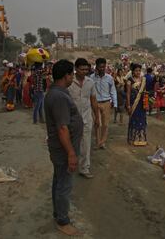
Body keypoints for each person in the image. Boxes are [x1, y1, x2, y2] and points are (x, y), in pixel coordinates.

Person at [44, 59, 84, 236]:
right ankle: (62, 219)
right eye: (72, 74)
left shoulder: (57, 93)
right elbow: (62, 128)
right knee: (64, 185)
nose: (72, 78)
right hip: (63, 150)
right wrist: (71, 154)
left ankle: (57, 213)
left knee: (59, 181)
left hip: (61, 149)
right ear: (66, 75)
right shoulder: (59, 96)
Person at [68, 58, 100, 179]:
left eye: (86, 69)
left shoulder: (90, 82)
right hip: (72, 120)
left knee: (86, 145)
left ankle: (84, 168)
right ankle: (70, 166)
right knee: (70, 144)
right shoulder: (69, 82)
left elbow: (93, 100)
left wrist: (97, 117)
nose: (84, 72)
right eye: (82, 69)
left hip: (87, 118)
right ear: (76, 69)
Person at [91, 58, 117, 149]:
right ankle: (98, 142)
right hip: (95, 103)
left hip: (106, 103)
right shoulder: (91, 78)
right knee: (98, 124)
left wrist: (115, 103)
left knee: (105, 124)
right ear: (97, 67)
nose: (102, 68)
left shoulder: (109, 78)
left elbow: (113, 90)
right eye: (100, 67)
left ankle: (102, 142)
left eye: (103, 67)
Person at [126, 63, 147, 146]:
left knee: (142, 120)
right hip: (133, 103)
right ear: (132, 71)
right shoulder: (129, 81)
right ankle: (133, 139)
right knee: (134, 120)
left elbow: (145, 92)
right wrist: (128, 105)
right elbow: (128, 93)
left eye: (139, 70)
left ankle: (141, 139)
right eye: (136, 71)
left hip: (141, 103)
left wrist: (146, 103)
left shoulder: (143, 80)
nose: (138, 72)